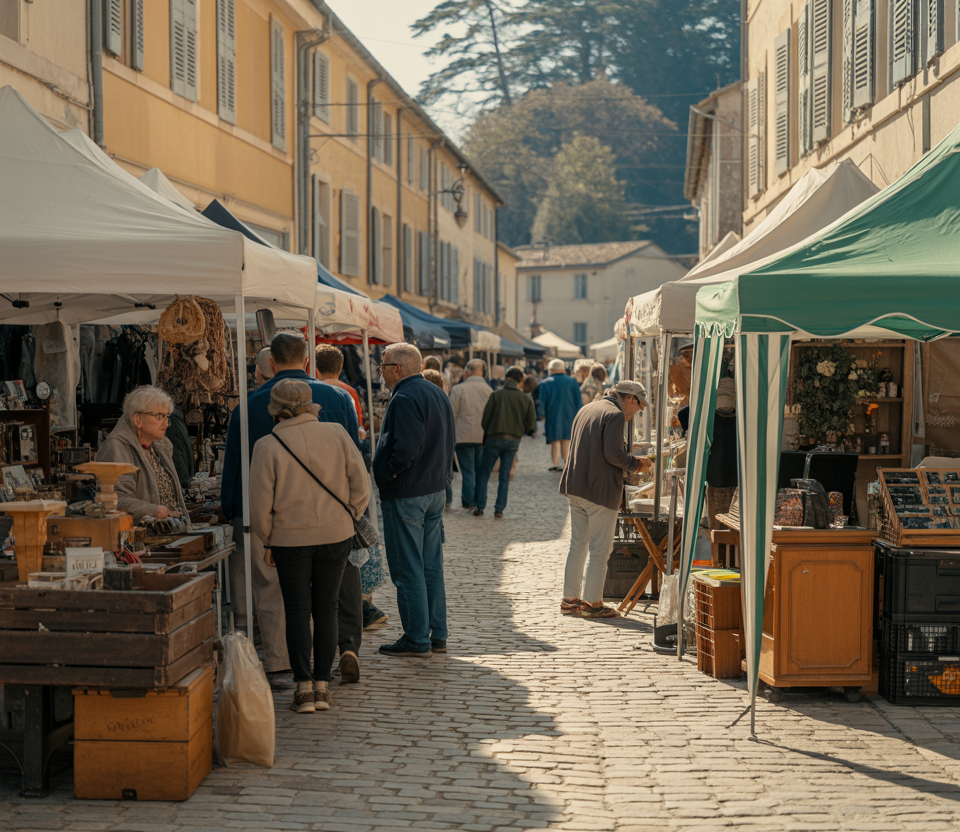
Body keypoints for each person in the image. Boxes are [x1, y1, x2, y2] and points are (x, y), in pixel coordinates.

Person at [221, 332, 362, 689]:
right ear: (307, 360)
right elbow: (357, 471)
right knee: (328, 601)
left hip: (281, 525)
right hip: (334, 523)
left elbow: (240, 474)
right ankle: (336, 658)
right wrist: (350, 516)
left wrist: (243, 520)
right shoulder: (339, 399)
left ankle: (284, 665)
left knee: (279, 598)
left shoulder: (250, 408)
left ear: (271, 364)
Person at [250, 380, 369, 714]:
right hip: (335, 534)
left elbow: (260, 503)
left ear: (275, 409)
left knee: (298, 611)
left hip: (289, 538)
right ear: (311, 404)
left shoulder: (267, 444)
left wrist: (268, 538)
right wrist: (349, 516)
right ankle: (322, 686)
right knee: (327, 608)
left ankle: (303, 689)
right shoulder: (336, 434)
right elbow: (361, 484)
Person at [374, 342, 455, 657]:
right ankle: (437, 633)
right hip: (433, 490)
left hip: (409, 492)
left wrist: (390, 473)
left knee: (408, 568)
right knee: (429, 565)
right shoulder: (436, 392)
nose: (380, 371)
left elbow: (406, 448)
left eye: (383, 365)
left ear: (398, 368)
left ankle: (417, 637)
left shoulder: (406, 396)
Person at [558, 380, 652, 618]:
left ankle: (570, 600)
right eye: (639, 405)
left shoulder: (588, 408)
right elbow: (613, 454)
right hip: (598, 490)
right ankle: (593, 604)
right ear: (630, 398)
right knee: (600, 548)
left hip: (576, 487)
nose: (638, 411)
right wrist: (638, 465)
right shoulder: (614, 414)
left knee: (578, 545)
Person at [96, 385, 189, 522]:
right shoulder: (116, 447)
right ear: (138, 420)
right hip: (138, 537)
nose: (166, 423)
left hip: (167, 532)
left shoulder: (161, 445)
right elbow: (115, 501)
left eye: (166, 416)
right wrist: (154, 510)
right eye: (159, 416)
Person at [473, 366, 536, 518]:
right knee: (505, 475)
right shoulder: (526, 399)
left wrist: (490, 432)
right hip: (513, 440)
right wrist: (521, 431)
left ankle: (480, 506)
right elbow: (531, 425)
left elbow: (485, 420)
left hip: (494, 438)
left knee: (483, 473)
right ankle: (499, 509)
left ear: (506, 378)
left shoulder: (496, 395)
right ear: (520, 380)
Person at [448, 359, 493, 510]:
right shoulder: (489, 390)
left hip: (463, 435)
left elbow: (451, 414)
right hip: (483, 436)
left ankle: (468, 501)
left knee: (467, 471)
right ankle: (479, 501)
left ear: (467, 371)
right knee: (480, 471)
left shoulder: (458, 389)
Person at [315, 344, 367, 441]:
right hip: (345, 446)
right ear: (340, 368)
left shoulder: (312, 391)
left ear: (315, 368)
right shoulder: (350, 392)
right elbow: (358, 428)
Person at [539, 358, 582, 471]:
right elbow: (578, 400)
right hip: (570, 414)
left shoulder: (545, 383)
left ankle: (555, 464)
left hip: (552, 414)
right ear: (563, 369)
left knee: (555, 440)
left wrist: (541, 415)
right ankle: (566, 463)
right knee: (566, 440)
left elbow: (542, 401)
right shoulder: (572, 381)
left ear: (551, 370)